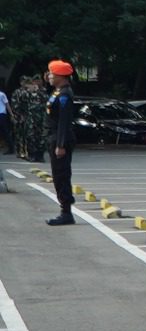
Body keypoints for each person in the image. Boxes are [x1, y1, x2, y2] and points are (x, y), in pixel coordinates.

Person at [43, 60, 78, 223]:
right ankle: (65, 210)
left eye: (52, 73)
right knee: (58, 176)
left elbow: (64, 121)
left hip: (59, 138)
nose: (49, 76)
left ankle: (66, 212)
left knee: (62, 175)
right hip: (53, 136)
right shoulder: (57, 91)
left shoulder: (64, 95)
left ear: (60, 76)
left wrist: (60, 144)